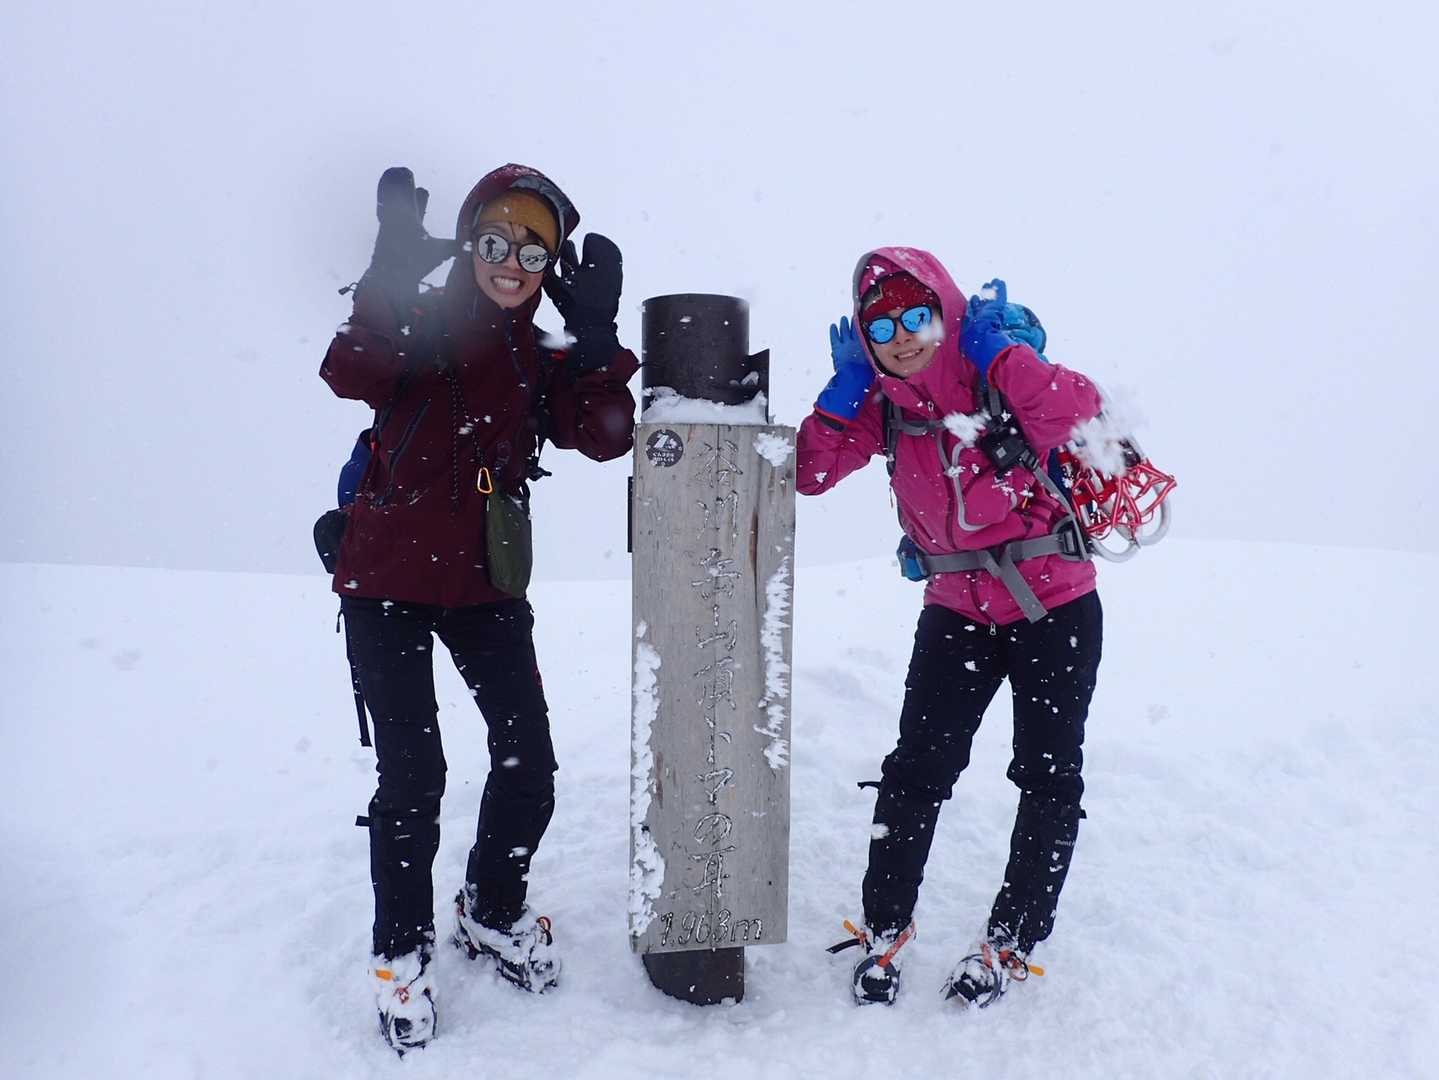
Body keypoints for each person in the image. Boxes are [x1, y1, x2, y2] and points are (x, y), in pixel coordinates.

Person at [319, 164, 637, 1054]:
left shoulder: (541, 357)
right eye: (495, 240)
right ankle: (401, 953)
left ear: (550, 267)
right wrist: (385, 276)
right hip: (384, 583)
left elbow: (604, 436)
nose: (510, 261)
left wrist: (596, 337)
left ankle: (491, 910)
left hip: (485, 588)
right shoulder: (419, 322)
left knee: (528, 765)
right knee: (412, 780)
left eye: (533, 251)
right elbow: (348, 370)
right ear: (469, 244)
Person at [798, 248, 1104, 1008]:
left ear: (948, 311)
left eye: (917, 315)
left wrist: (998, 352)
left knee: (1047, 777)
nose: (902, 336)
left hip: (1054, 605)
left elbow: (1076, 410)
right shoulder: (887, 404)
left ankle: (1011, 941)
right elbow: (810, 471)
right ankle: (883, 929)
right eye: (880, 326)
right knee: (916, 772)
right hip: (956, 612)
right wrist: (843, 392)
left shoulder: (995, 377)